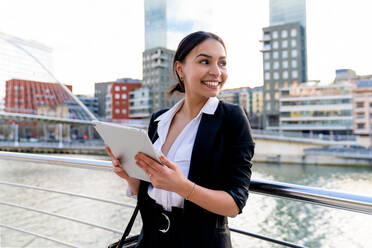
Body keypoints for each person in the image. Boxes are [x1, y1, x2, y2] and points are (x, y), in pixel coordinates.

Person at [106, 31, 255, 248]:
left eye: (222, 63)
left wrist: (182, 186)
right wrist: (130, 175)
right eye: (205, 61)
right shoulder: (159, 120)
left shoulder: (232, 119)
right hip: (151, 240)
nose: (216, 72)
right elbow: (151, 191)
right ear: (180, 68)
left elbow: (235, 204)